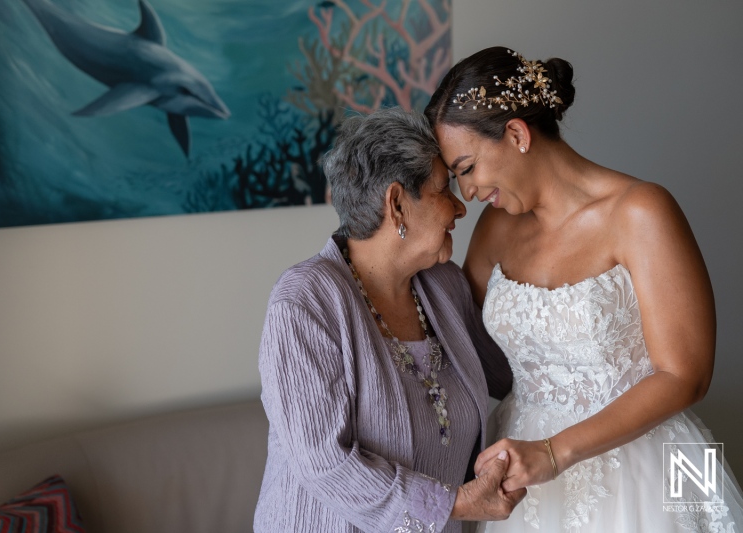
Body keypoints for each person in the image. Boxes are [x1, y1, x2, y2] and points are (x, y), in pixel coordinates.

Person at [424, 46, 743, 532]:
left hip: (652, 463)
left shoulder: (642, 211)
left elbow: (688, 376)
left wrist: (555, 452)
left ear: (516, 134)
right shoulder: (495, 229)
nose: (465, 193)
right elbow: (458, 342)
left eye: (466, 168)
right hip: (526, 484)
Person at [253, 107, 526, 532]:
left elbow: (512, 376)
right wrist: (457, 502)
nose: (460, 207)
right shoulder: (304, 302)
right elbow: (326, 465)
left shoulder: (445, 285)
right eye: (442, 189)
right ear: (397, 204)